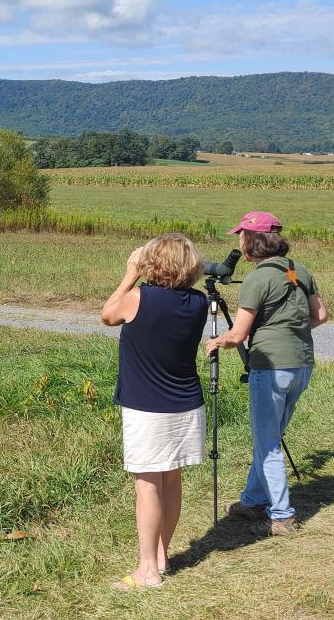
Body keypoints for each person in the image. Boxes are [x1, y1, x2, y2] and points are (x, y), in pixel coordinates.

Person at [204, 211, 327, 536]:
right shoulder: (299, 269)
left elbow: (238, 334)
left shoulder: (258, 279)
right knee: (269, 438)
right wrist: (288, 329)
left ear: (252, 242)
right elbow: (321, 315)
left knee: (268, 445)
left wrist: (217, 341)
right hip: (301, 364)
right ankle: (253, 499)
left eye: (241, 236)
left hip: (271, 367)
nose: (239, 242)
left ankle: (282, 515)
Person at [101, 233, 209, 590]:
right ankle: (161, 554)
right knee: (172, 480)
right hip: (186, 403)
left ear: (152, 263)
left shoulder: (137, 298)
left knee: (147, 486)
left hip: (147, 408)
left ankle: (147, 571)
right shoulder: (198, 302)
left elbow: (107, 315)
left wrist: (130, 273)